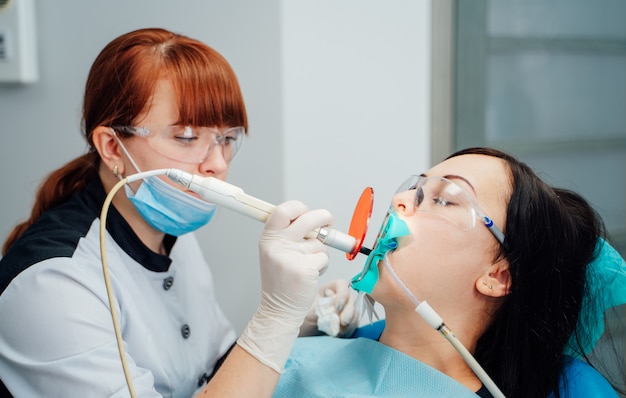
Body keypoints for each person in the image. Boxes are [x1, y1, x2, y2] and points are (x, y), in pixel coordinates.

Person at [0, 28, 357, 397]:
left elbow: (214, 374)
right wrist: (274, 315)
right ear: (111, 146)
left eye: (227, 138)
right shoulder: (55, 283)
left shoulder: (171, 235)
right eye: (186, 137)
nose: (217, 163)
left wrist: (303, 320)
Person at [274, 147, 626, 398]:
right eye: (416, 188)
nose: (400, 200)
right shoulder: (304, 361)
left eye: (444, 199)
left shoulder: (573, 388)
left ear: (499, 276)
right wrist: (275, 324)